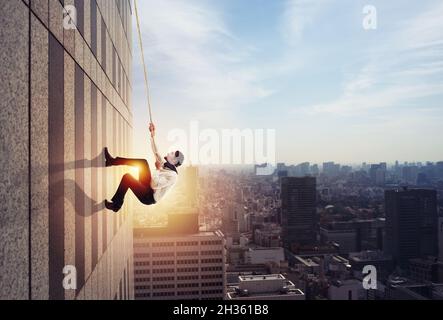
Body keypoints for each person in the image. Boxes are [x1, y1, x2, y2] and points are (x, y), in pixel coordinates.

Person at [104, 123, 184, 212]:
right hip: (148, 185)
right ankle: (112, 161)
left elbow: (155, 185)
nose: (170, 152)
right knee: (143, 162)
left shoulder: (173, 176)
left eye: (172, 153)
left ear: (174, 161)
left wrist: (157, 169)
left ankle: (116, 205)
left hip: (149, 197)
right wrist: (152, 134)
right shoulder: (166, 164)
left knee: (127, 178)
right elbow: (156, 151)